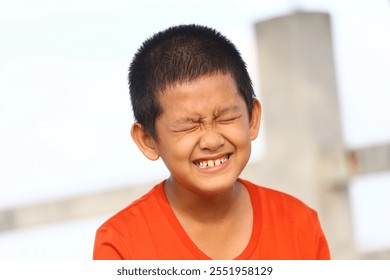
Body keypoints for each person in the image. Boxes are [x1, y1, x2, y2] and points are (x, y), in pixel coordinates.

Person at [93, 24, 330, 260]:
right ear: (148, 140)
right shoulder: (122, 245)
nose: (212, 140)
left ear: (252, 118)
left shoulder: (298, 224)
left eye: (226, 117)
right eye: (188, 126)